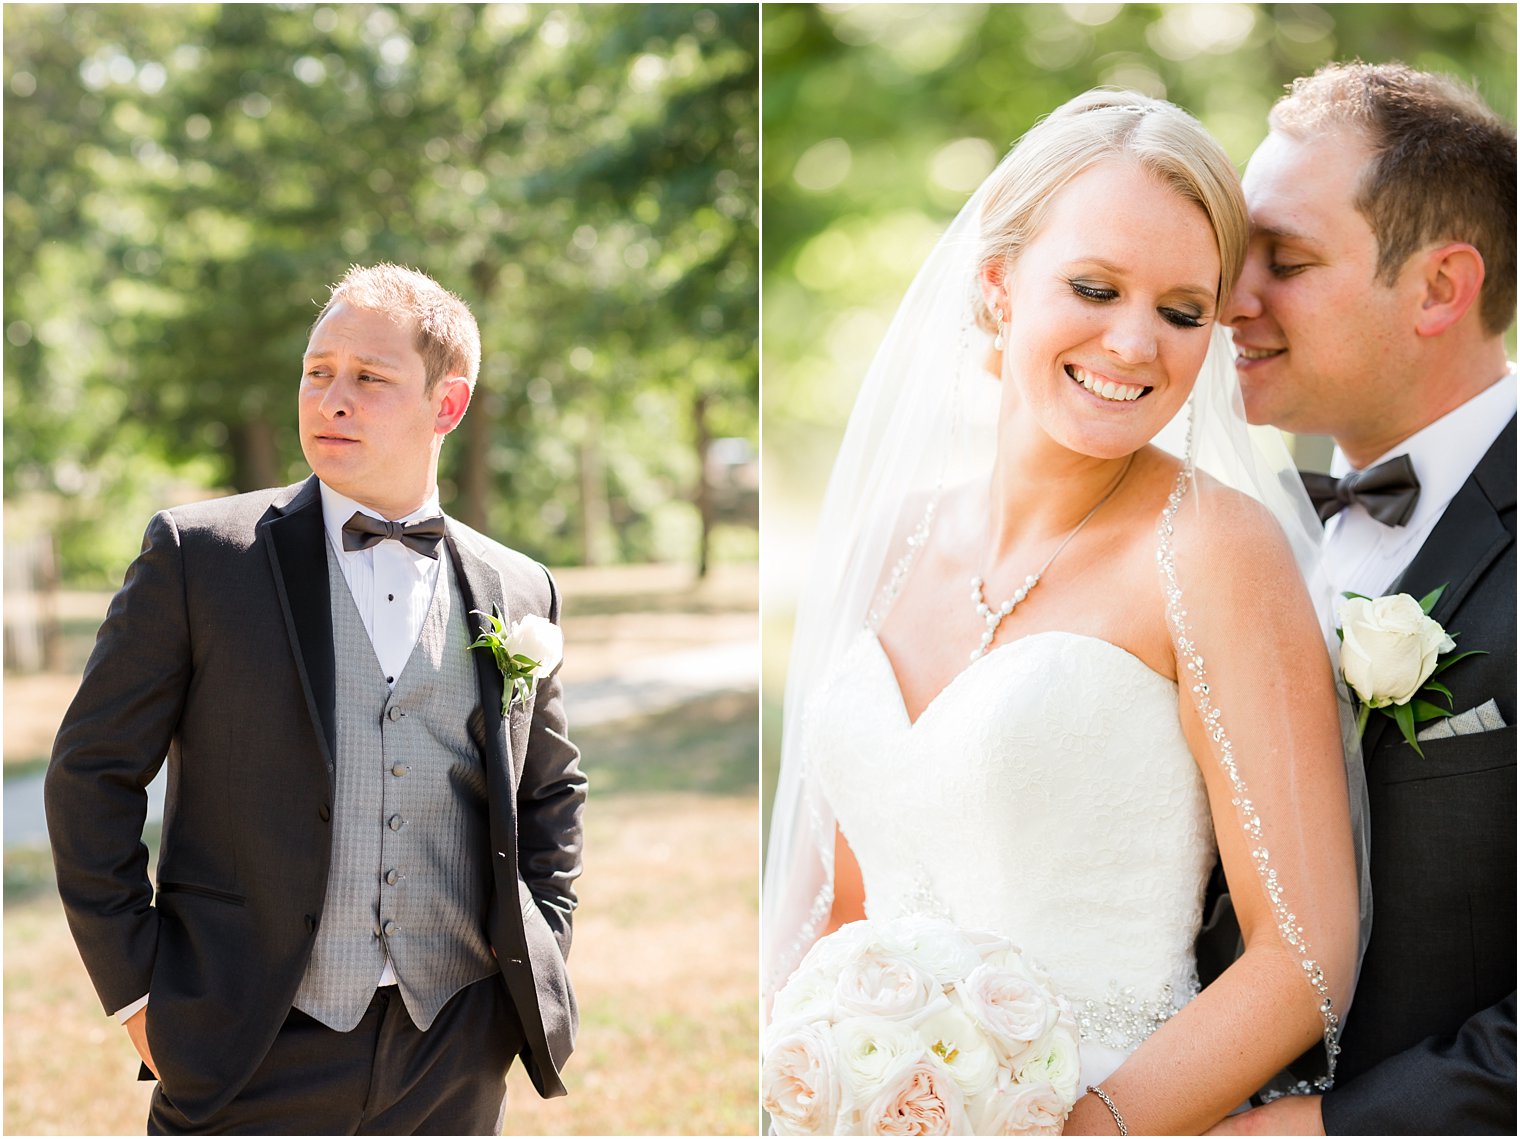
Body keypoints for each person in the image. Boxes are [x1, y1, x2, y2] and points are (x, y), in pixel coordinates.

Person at [761, 90, 1368, 1134]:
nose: (1134, 343)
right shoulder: (882, 543)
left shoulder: (1212, 547)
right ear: (997, 285)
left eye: (1182, 310)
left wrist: (1078, 1128)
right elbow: (839, 911)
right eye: (1093, 286)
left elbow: (1303, 952)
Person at [45, 263, 587, 1134]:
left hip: (452, 1045)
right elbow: (89, 775)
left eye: (369, 378)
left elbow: (550, 792)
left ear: (447, 405)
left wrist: (540, 945)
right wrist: (139, 994)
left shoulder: (518, 588)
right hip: (244, 1038)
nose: (332, 397)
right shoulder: (199, 556)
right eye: (317, 370)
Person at [1212, 62, 1515, 1136]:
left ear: (1439, 287)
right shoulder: (1227, 530)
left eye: (1283, 261)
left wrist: (1329, 1130)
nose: (1228, 299)